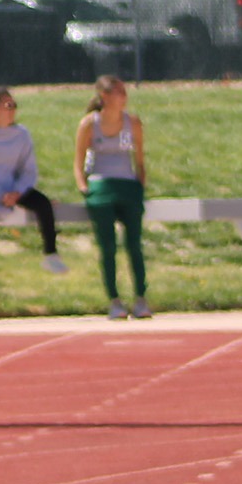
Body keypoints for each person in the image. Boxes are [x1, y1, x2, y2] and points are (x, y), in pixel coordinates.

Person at [0, 85, 66, 279]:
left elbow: (29, 169)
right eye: (8, 105)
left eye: (14, 105)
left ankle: (51, 253)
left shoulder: (22, 134)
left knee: (43, 203)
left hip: (14, 189)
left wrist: (17, 191)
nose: (13, 110)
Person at [73, 75, 150, 320]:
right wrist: (84, 186)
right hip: (100, 185)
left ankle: (141, 297)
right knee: (108, 246)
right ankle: (114, 299)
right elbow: (78, 161)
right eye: (118, 92)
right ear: (104, 96)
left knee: (134, 245)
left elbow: (139, 160)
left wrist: (140, 185)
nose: (124, 97)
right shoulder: (89, 124)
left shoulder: (133, 123)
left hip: (127, 185)